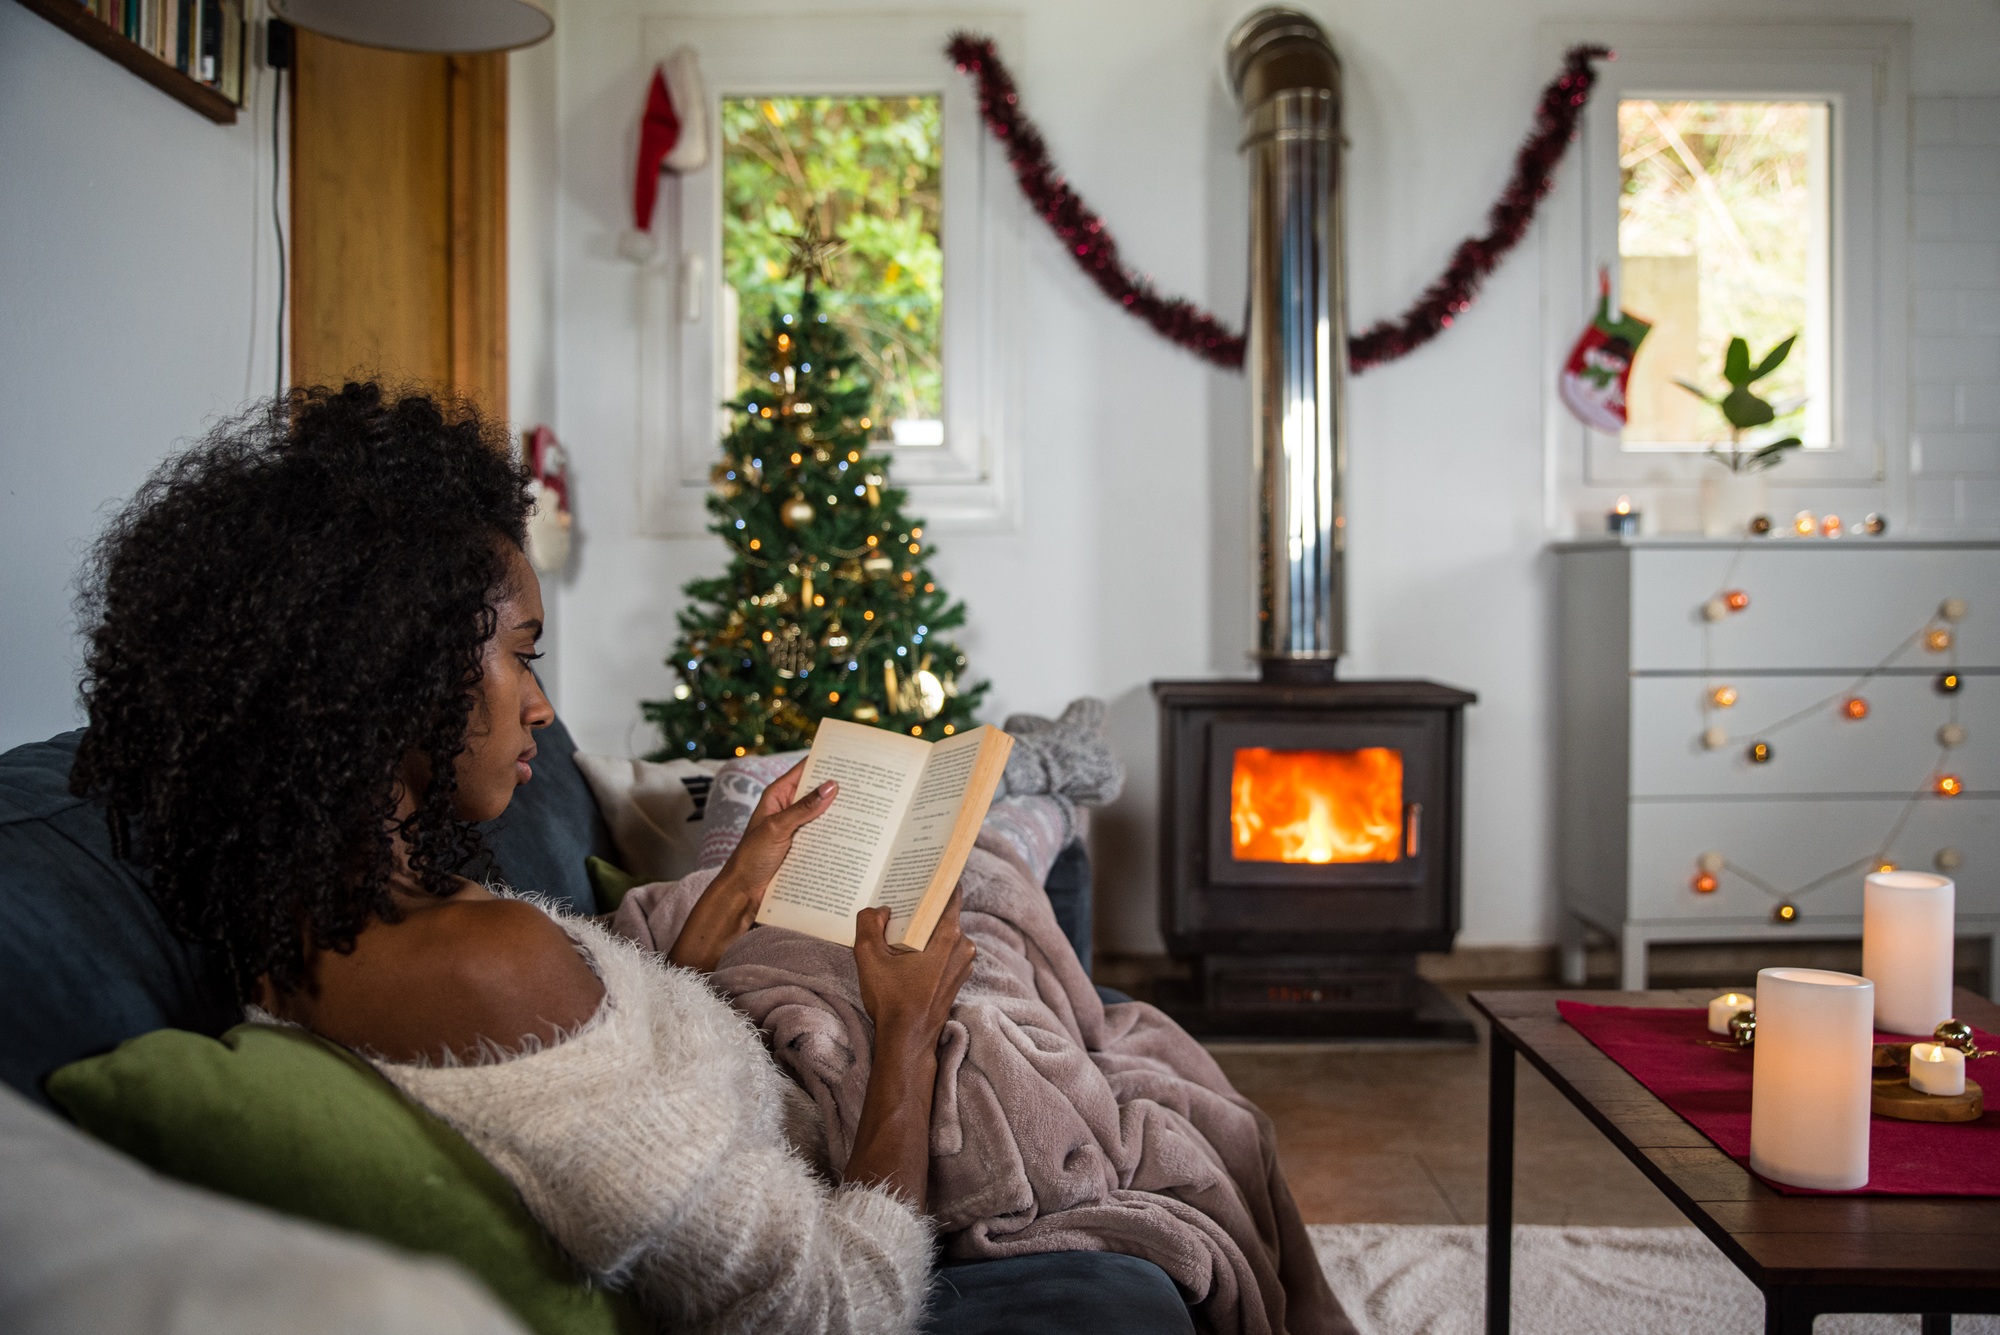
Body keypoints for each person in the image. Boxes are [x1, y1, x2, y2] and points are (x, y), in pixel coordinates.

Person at [70, 382, 970, 1334]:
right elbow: (836, 1309)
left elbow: (602, 1082)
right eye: (521, 653)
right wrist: (907, 1031)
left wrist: (733, 893)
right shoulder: (475, 959)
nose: (540, 704)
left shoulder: (340, 912)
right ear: (394, 668)